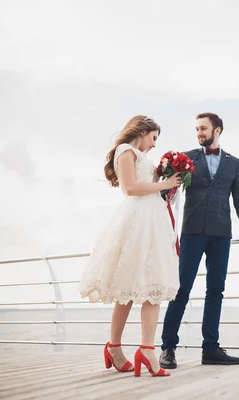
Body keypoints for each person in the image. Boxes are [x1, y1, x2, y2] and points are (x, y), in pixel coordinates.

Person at [78, 115, 182, 377]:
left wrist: (169, 184)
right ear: (143, 131)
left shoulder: (141, 155)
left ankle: (145, 348)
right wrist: (164, 183)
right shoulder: (125, 151)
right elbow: (130, 187)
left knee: (152, 284)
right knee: (126, 288)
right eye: (154, 138)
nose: (154, 145)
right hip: (137, 222)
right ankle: (116, 347)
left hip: (153, 221)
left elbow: (149, 188)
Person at [159, 112, 239, 368]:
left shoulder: (234, 163)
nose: (199, 133)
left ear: (217, 130)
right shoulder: (186, 158)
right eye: (197, 129)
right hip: (192, 231)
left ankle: (210, 348)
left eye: (203, 128)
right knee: (181, 290)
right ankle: (168, 348)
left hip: (221, 233)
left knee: (216, 291)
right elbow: (168, 190)